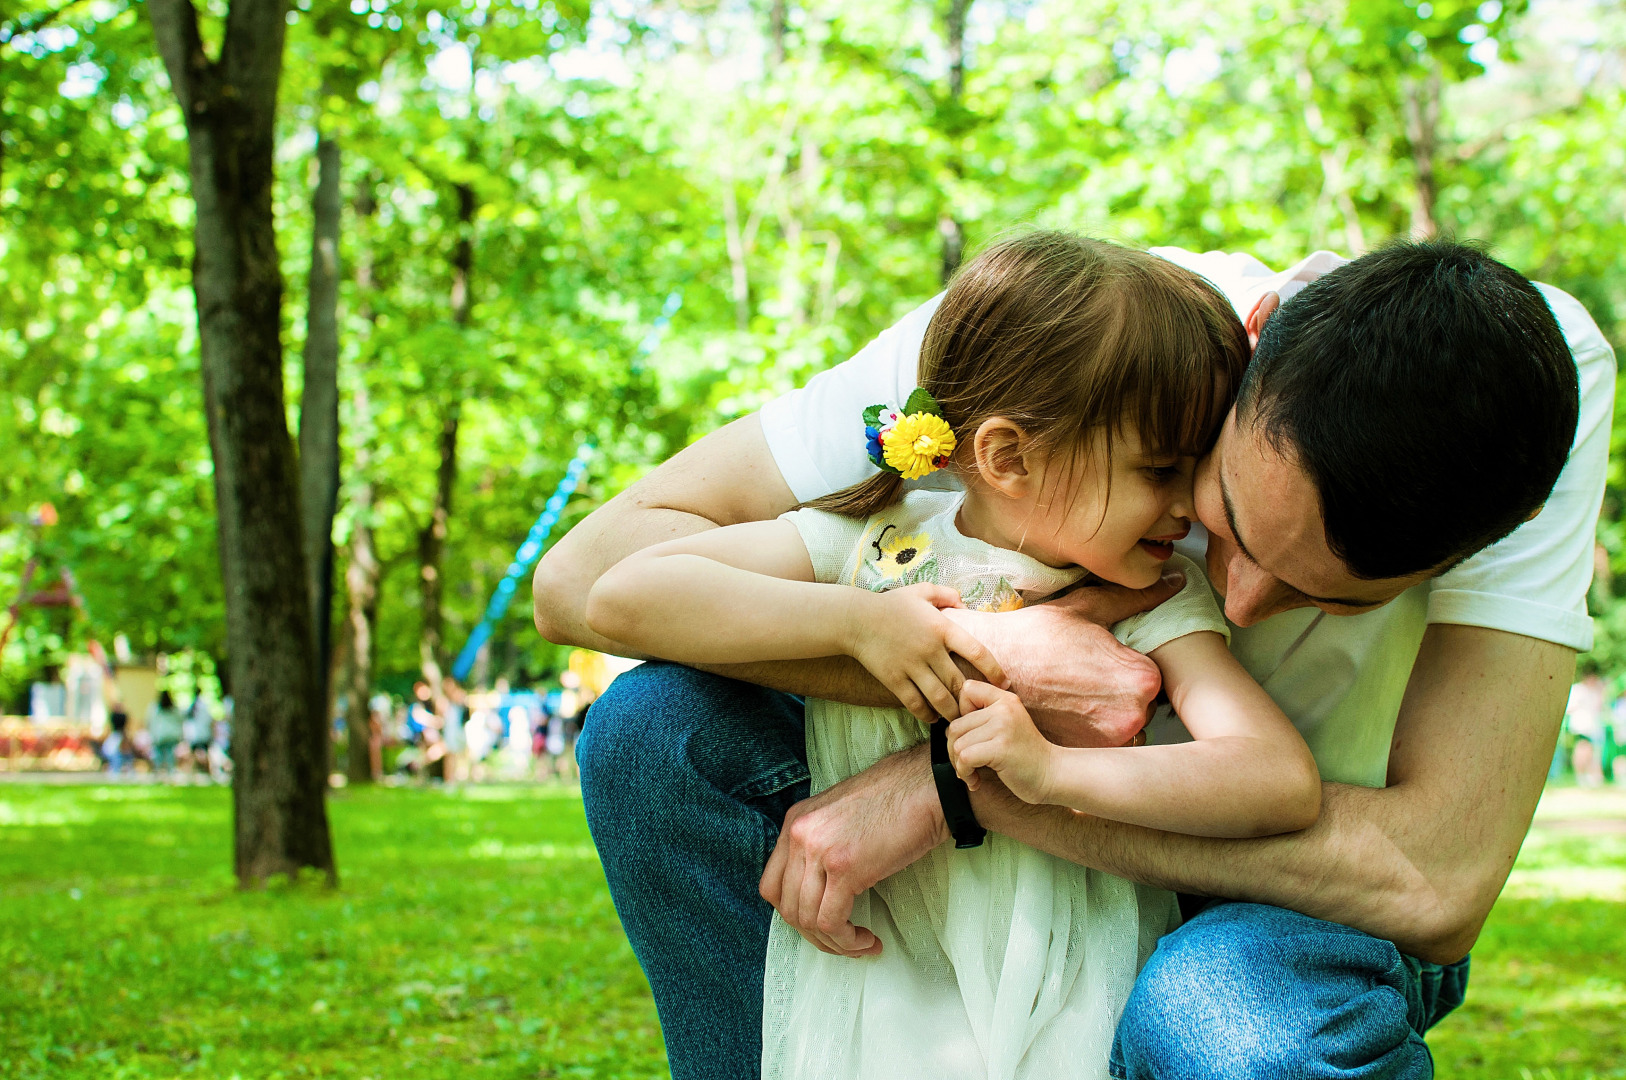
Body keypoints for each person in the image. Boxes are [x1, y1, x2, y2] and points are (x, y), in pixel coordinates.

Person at [539, 238, 1611, 1079]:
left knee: (1229, 1016)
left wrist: (969, 782)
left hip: (1291, 888)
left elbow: (1433, 881)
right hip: (1010, 847)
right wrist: (986, 652)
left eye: (1324, 600)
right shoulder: (1074, 347)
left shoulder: (1532, 386)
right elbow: (587, 577)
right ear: (1257, 340)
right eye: (1221, 513)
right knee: (652, 732)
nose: (1233, 597)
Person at [587, 234, 1320, 1078]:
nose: (1187, 505)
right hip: (871, 965)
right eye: (1160, 467)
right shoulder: (874, 555)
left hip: (1068, 986)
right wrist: (853, 626)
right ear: (1008, 457)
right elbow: (624, 594)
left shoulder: (1155, 598)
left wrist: (1052, 776)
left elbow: (1275, 776)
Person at [145, 690, 184, 777]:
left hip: (160, 736)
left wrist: (152, 734)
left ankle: (159, 773)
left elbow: (149, 721)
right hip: (171, 736)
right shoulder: (174, 709)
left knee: (159, 757)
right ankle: (170, 773)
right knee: (170, 756)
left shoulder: (155, 708)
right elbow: (180, 720)